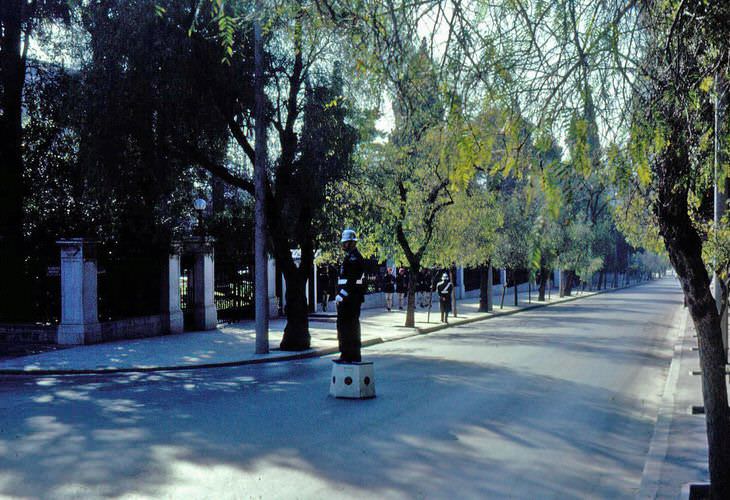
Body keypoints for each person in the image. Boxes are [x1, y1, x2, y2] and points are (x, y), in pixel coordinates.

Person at [335, 229, 365, 362]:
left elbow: (352, 279)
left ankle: (348, 354)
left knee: (347, 326)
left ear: (352, 243)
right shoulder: (351, 257)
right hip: (350, 298)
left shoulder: (354, 258)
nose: (343, 245)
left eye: (346, 243)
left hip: (350, 298)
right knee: (348, 326)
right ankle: (349, 354)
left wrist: (342, 294)